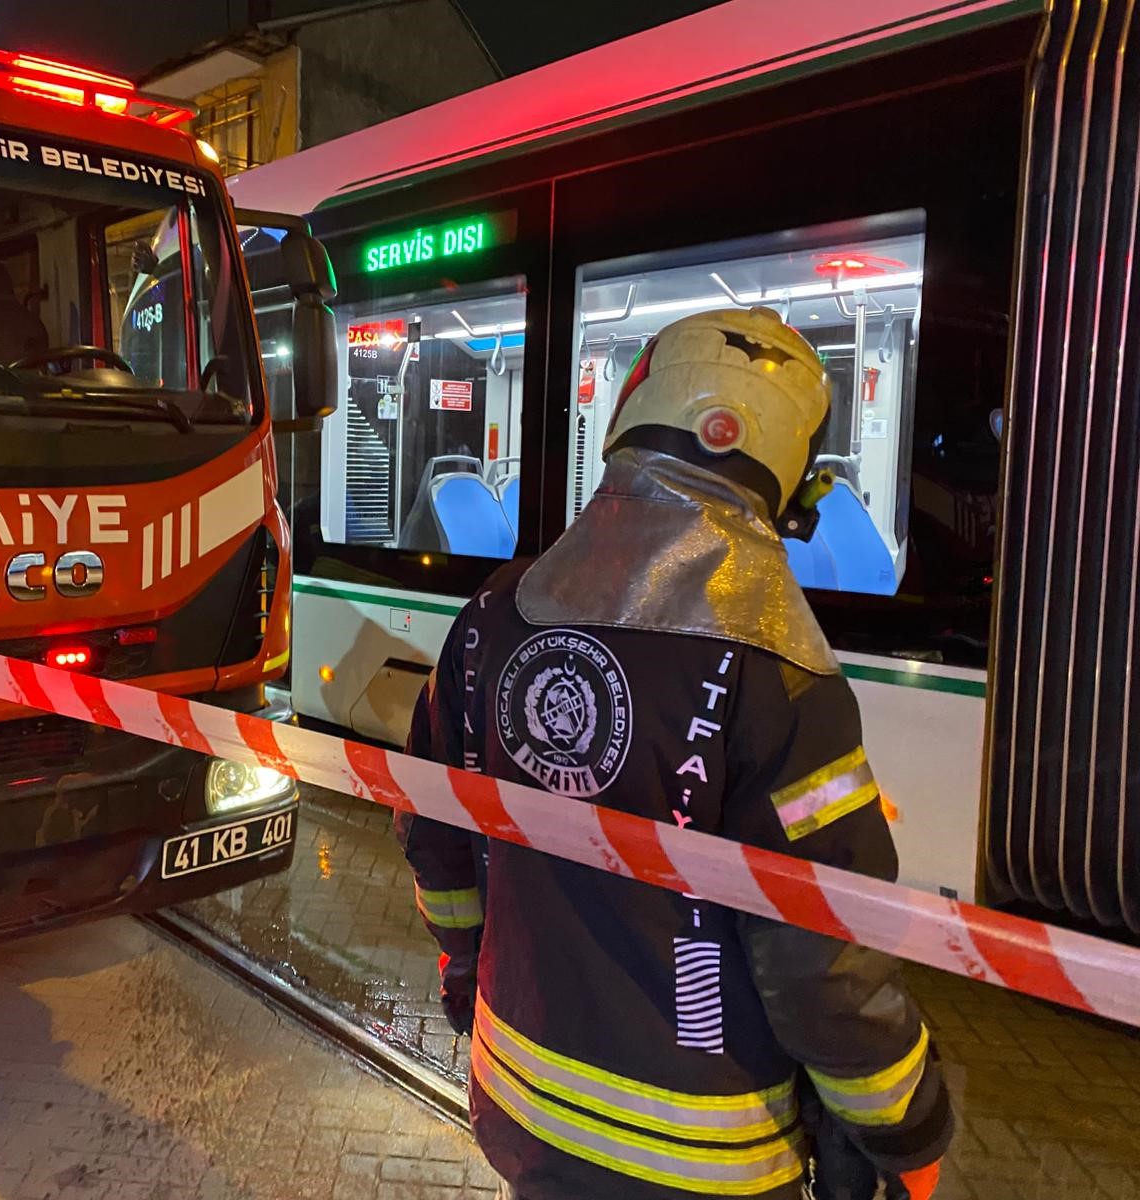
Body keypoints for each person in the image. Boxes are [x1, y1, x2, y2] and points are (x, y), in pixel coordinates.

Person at [396, 307, 952, 1200]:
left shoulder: (491, 618)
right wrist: (905, 1122)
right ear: (780, 462)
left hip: (520, 1102)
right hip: (700, 1157)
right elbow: (821, 956)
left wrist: (464, 960)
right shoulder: (782, 674)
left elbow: (435, 833)